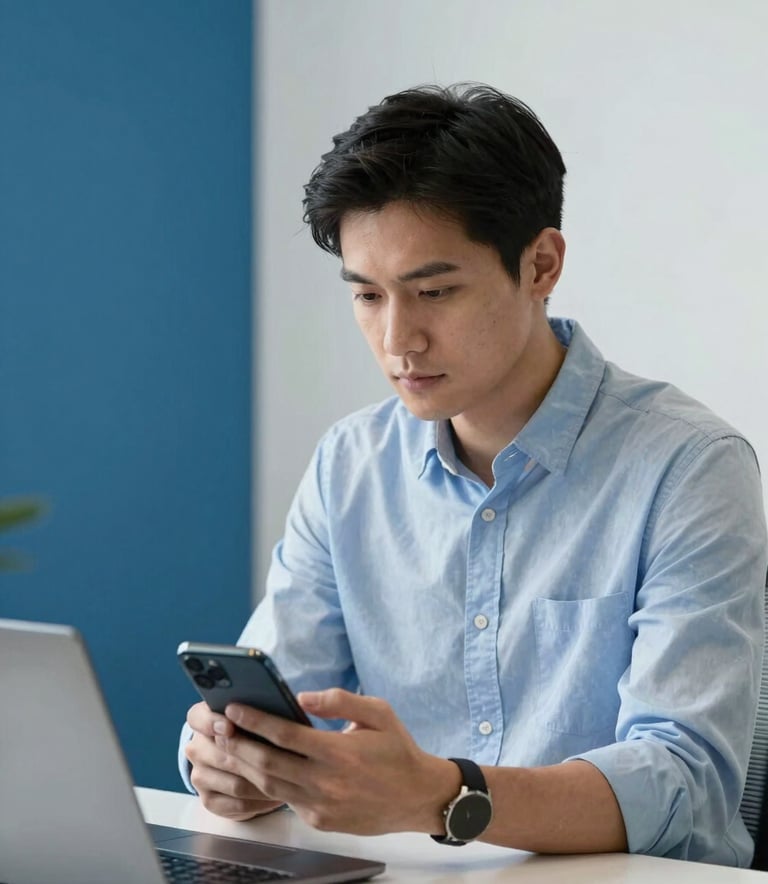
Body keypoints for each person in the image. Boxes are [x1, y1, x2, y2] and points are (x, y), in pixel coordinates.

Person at [179, 84, 767, 865]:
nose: (398, 340)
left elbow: (686, 782)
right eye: (366, 295)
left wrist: (438, 793)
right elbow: (280, 703)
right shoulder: (350, 466)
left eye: (435, 291)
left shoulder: (687, 467)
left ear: (541, 264)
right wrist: (233, 764)